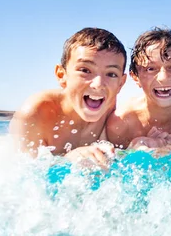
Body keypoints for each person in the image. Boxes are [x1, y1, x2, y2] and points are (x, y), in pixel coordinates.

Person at [10, 27, 127, 167]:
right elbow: (24, 178)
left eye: (111, 74)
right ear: (61, 75)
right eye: (85, 70)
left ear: (121, 83)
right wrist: (66, 161)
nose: (99, 84)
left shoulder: (111, 109)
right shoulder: (34, 114)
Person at [106, 28, 171, 150]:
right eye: (150, 69)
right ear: (135, 77)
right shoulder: (121, 123)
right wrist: (135, 149)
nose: (163, 78)